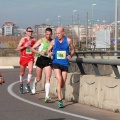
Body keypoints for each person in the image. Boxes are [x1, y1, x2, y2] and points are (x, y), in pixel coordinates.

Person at [47, 26, 75, 108]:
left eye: (59, 33)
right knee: (59, 79)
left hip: (65, 63)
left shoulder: (68, 40)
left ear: (63, 33)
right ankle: (60, 100)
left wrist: (70, 55)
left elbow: (73, 49)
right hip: (56, 63)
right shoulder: (54, 41)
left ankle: (58, 87)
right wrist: (50, 53)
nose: (57, 35)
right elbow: (48, 50)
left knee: (62, 83)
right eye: (56, 33)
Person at [31, 27, 53, 102]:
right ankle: (34, 84)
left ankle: (46, 96)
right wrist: (39, 52)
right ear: (45, 34)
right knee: (38, 78)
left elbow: (54, 50)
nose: (48, 36)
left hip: (48, 60)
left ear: (51, 34)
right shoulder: (41, 40)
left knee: (48, 78)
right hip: (40, 59)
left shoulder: (53, 41)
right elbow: (32, 48)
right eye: (47, 34)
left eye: (50, 34)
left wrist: (51, 53)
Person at [16, 27, 36, 94]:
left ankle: (28, 84)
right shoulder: (23, 39)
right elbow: (17, 48)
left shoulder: (33, 39)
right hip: (23, 57)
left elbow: (35, 48)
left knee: (30, 70)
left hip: (30, 57)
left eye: (31, 31)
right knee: (22, 73)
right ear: (26, 32)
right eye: (29, 31)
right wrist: (24, 46)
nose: (30, 32)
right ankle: (21, 85)